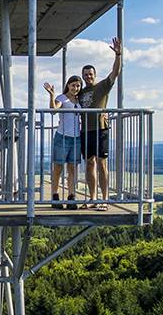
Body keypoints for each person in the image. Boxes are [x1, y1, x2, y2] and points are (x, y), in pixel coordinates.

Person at [78, 37, 123, 210]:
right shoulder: (81, 92)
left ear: (94, 75)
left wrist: (118, 54)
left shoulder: (103, 86)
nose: (88, 77)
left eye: (91, 74)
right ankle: (92, 198)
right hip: (86, 131)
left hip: (100, 128)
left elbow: (115, 72)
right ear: (83, 77)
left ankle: (104, 199)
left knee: (102, 163)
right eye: (86, 75)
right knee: (89, 163)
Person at [43, 75, 83, 209]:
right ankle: (55, 195)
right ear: (68, 85)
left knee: (72, 168)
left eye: (78, 86)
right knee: (58, 168)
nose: (75, 88)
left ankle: (71, 196)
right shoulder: (62, 98)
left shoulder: (80, 99)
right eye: (73, 85)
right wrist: (52, 95)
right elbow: (54, 110)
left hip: (77, 138)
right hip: (63, 137)